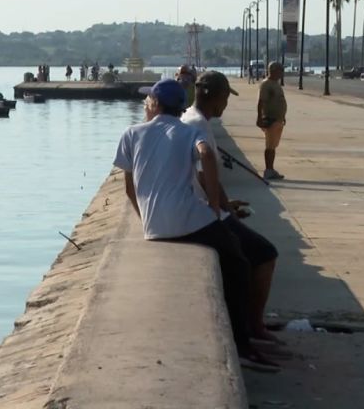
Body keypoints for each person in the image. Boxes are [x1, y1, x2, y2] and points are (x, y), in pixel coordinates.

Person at [115, 79, 275, 368]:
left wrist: (147, 221)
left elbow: (130, 188)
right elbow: (207, 154)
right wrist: (215, 205)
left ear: (155, 104)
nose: (145, 105)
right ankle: (241, 344)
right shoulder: (188, 131)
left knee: (235, 250)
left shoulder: (131, 133)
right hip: (188, 219)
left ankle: (243, 334)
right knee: (238, 262)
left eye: (147, 101)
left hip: (154, 226)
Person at [182, 71, 281, 344]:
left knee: (248, 255)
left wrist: (227, 203)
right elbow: (204, 172)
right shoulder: (198, 126)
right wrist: (219, 209)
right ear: (214, 97)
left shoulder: (191, 119)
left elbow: (206, 173)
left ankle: (250, 321)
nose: (226, 103)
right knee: (265, 254)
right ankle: (253, 326)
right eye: (225, 97)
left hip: (204, 205)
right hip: (205, 213)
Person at [256, 62, 287, 180]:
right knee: (269, 146)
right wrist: (259, 117)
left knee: (273, 146)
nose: (282, 73)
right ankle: (268, 170)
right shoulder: (266, 84)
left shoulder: (275, 84)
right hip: (271, 119)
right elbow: (261, 102)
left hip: (278, 119)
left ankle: (271, 169)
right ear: (273, 70)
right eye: (280, 70)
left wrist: (282, 116)